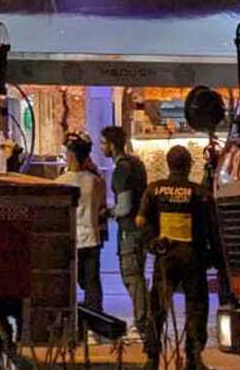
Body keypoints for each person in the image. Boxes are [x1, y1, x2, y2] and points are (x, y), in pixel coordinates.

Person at [137, 145, 213, 370]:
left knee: (157, 309)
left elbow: (140, 222)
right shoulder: (199, 193)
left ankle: (152, 358)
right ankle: (194, 357)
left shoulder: (154, 190)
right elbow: (211, 227)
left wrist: (152, 243)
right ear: (189, 165)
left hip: (165, 257)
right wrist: (214, 257)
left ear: (169, 164)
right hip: (192, 258)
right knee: (196, 307)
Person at [102, 125, 149, 340]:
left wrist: (108, 213)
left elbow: (124, 206)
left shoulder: (121, 169)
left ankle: (144, 323)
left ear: (112, 145)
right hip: (141, 230)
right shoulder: (137, 164)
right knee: (136, 274)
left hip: (128, 230)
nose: (101, 147)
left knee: (131, 276)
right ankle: (147, 320)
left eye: (103, 143)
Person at [66, 136, 106, 322]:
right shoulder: (96, 181)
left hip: (70, 239)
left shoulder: (61, 182)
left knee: (67, 282)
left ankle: (70, 320)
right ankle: (96, 322)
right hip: (92, 238)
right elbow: (101, 208)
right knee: (92, 283)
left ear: (72, 156)